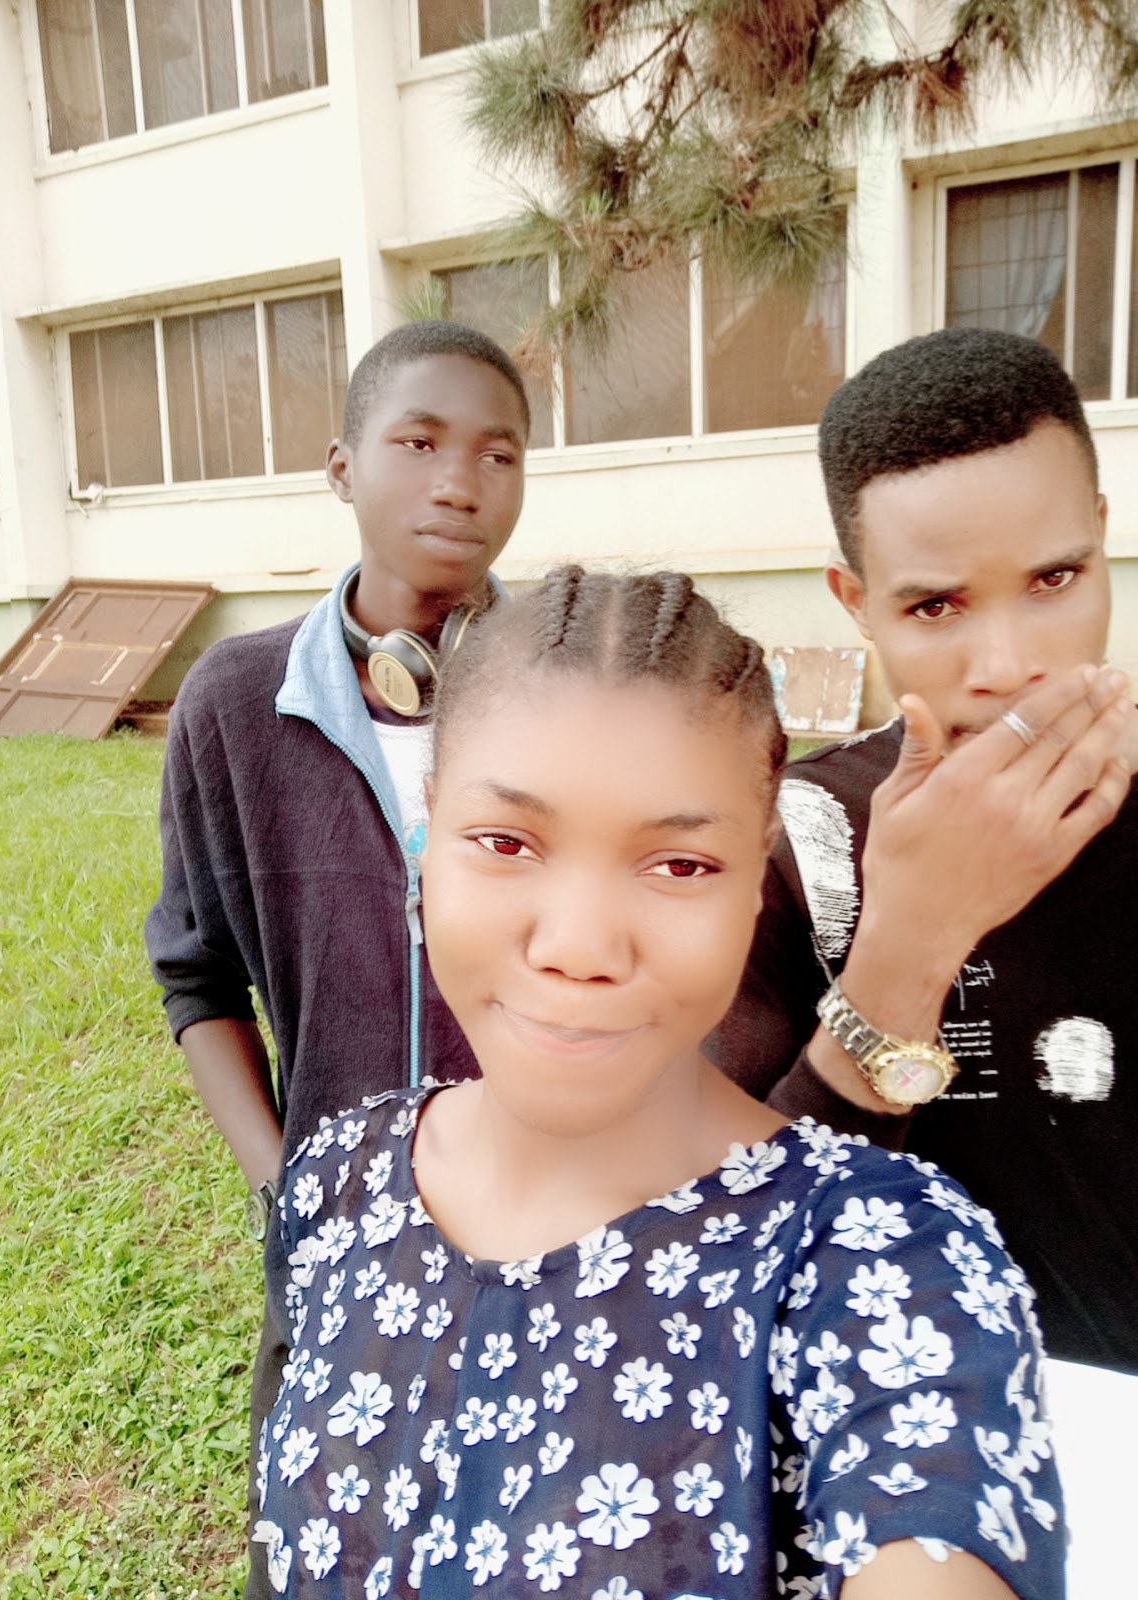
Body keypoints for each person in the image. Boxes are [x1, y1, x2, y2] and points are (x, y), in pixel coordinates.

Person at [251, 567, 1064, 1598]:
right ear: (425, 836)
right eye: (506, 842)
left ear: (756, 876)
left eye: (679, 865)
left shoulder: (879, 1262)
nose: (580, 946)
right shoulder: (338, 1178)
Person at [710, 328, 1137, 1588]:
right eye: (936, 605)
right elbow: (725, 1244)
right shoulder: (795, 844)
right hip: (912, 1488)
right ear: (854, 601)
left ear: (1104, 536)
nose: (1007, 664)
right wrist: (911, 938)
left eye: (1055, 578)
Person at [144, 320, 530, 1597]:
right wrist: (286, 1184)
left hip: (546, 1222)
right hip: (335, 1241)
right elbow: (195, 972)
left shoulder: (573, 688)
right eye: (418, 443)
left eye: (498, 454)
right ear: (342, 466)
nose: (459, 483)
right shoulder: (234, 704)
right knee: (321, 1553)